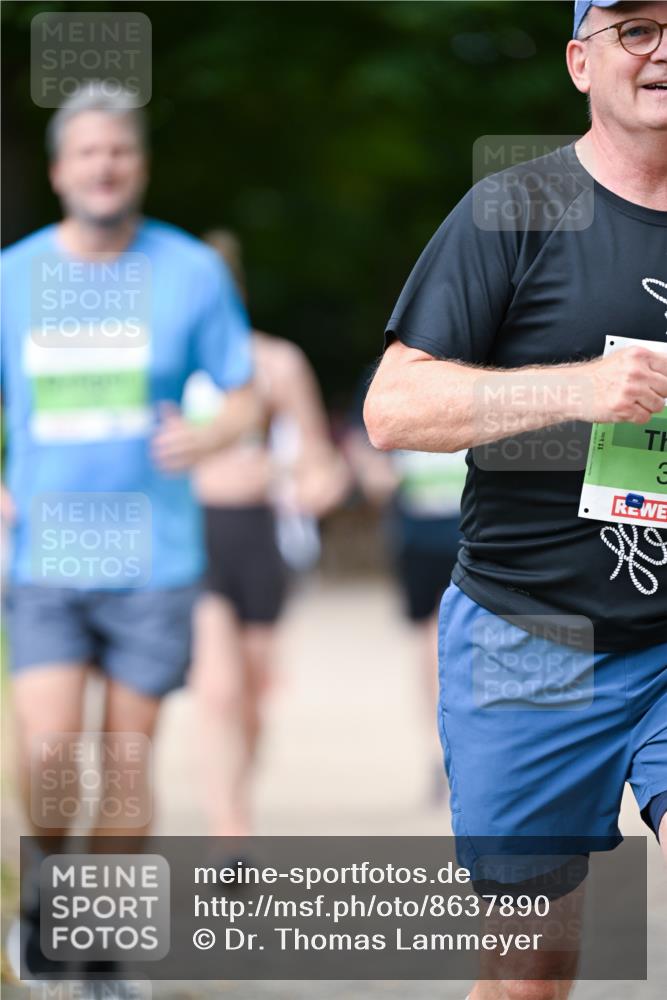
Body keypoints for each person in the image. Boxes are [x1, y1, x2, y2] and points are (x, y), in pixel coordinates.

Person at [364, 3, 667, 998]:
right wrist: (575, 389)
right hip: (531, 636)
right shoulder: (516, 210)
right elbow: (393, 407)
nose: (661, 49)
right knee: (528, 970)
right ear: (582, 62)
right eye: (635, 29)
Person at [1, 84, 256, 980]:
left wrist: (217, 431)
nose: (104, 166)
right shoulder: (14, 276)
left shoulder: (188, 270)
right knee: (49, 751)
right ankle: (47, 888)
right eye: (87, 152)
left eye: (120, 151)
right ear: (59, 168)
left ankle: (99, 941)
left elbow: (244, 390)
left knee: (126, 762)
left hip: (155, 559)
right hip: (46, 554)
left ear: (138, 165)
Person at [186, 229, 348, 838]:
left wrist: (320, 481)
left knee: (251, 695)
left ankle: (237, 796)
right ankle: (230, 836)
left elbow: (315, 457)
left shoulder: (276, 363)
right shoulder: (164, 365)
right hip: (192, 534)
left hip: (259, 534)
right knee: (219, 690)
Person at [346, 370, 467, 804]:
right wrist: (372, 472)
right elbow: (362, 439)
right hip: (420, 536)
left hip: (483, 534)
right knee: (430, 647)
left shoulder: (497, 360)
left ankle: (481, 753)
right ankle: (442, 754)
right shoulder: (388, 373)